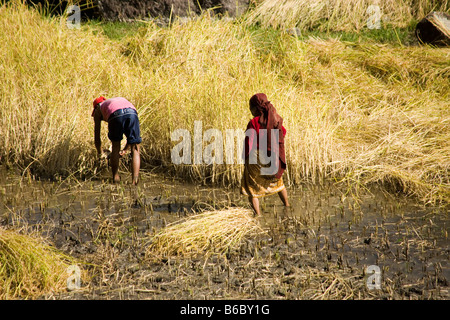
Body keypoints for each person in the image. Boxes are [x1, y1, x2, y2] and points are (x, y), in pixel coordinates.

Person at [240, 93, 289, 216]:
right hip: (271, 155)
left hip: (256, 157)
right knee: (278, 183)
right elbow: (283, 132)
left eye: (251, 108)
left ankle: (258, 215)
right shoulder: (274, 119)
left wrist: (245, 157)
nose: (250, 111)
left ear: (256, 108)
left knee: (252, 187)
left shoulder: (254, 122)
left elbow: (249, 142)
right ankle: (287, 206)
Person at [91, 96, 142, 185]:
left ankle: (116, 177)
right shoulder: (113, 101)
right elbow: (131, 140)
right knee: (135, 148)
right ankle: (135, 181)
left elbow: (97, 138)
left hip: (115, 115)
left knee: (115, 147)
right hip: (132, 113)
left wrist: (100, 153)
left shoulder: (98, 109)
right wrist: (125, 149)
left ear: (96, 107)